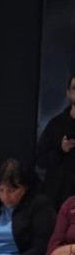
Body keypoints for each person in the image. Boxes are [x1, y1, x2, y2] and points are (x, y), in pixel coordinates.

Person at [36, 75, 75, 210]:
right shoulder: (55, 124)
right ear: (68, 93)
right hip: (57, 199)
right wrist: (60, 149)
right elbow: (40, 160)